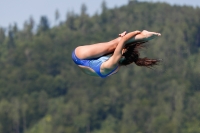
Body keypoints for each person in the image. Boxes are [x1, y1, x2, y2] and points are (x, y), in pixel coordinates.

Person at [72, 30, 161, 78]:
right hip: (88, 63)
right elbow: (122, 44)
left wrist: (137, 32)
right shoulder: (117, 66)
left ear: (122, 55)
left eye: (122, 50)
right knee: (117, 45)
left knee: (114, 44)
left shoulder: (113, 62)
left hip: (80, 56)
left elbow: (124, 40)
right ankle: (145, 36)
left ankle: (145, 36)